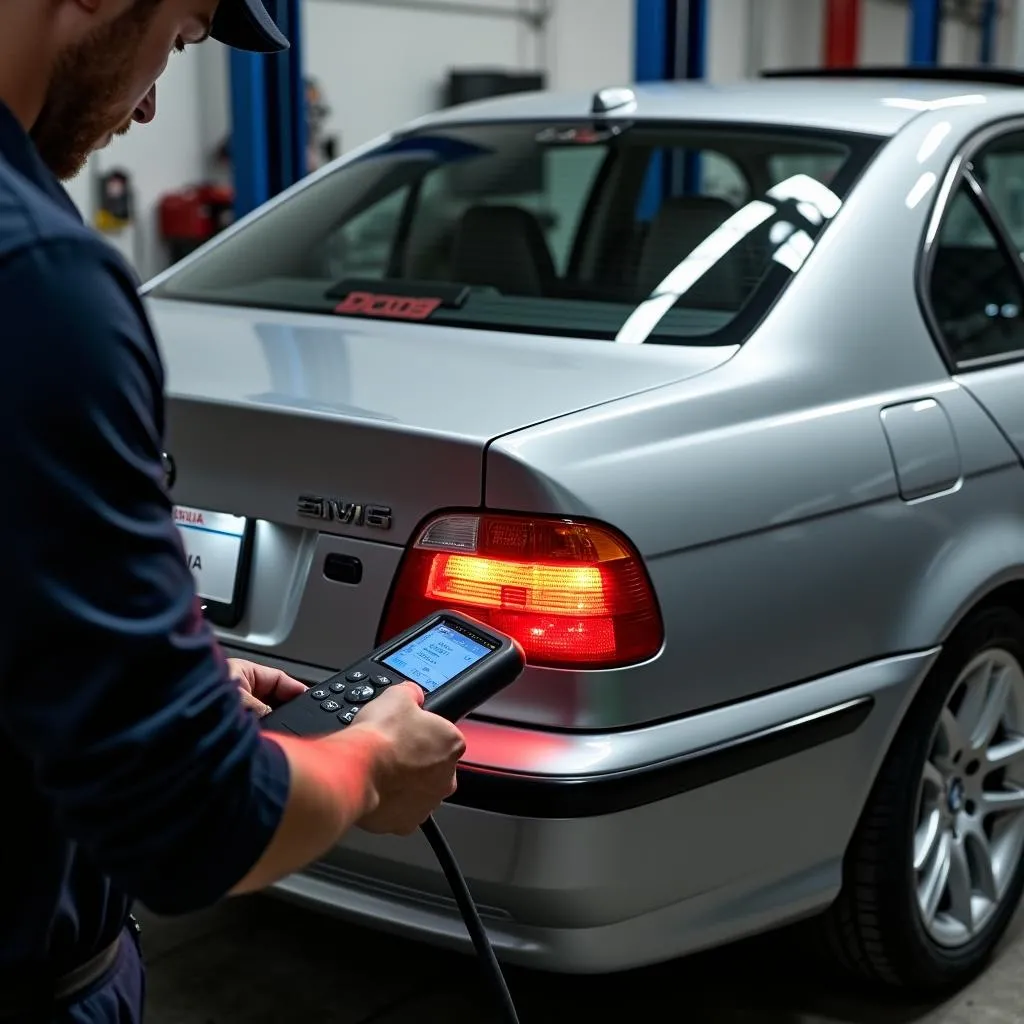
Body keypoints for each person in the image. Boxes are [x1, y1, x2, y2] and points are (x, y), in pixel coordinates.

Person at [0, 3, 468, 1022]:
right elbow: (196, 825)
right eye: (183, 33)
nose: (155, 97)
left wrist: (159, 680)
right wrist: (369, 759)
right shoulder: (36, 280)